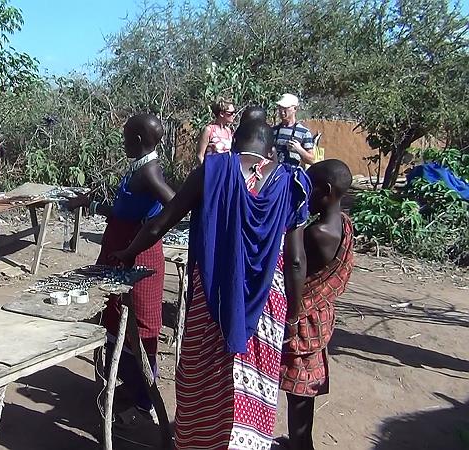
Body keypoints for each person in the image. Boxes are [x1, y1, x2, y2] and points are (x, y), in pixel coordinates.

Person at [111, 120, 310, 450]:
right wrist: (294, 314)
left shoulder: (213, 170)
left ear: (235, 141)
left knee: (202, 380)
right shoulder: (291, 182)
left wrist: (129, 252)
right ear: (270, 149)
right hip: (267, 302)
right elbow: (296, 260)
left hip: (214, 295)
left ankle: (200, 441)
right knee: (256, 383)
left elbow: (161, 222)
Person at [68, 114, 175, 430]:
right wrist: (90, 205)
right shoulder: (140, 167)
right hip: (123, 255)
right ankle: (125, 388)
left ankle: (141, 399)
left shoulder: (149, 171)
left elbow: (174, 204)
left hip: (138, 258)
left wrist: (150, 229)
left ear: (138, 140)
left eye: (126, 136)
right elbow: (124, 211)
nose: (123, 141)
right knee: (117, 317)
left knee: (140, 326)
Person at [279, 159, 354, 450]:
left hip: (303, 319)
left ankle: (301, 444)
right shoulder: (343, 224)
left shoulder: (316, 233)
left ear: (326, 191)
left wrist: (292, 317)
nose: (304, 196)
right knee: (302, 393)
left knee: (298, 392)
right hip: (319, 316)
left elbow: (294, 265)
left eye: (308, 190)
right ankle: (300, 441)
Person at [274, 94, 316, 166]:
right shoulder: (273, 131)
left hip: (293, 171)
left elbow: (312, 160)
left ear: (295, 109)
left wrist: (299, 149)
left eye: (285, 108)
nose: (282, 111)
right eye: (280, 107)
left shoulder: (304, 133)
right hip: (274, 170)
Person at [196, 97, 236, 162]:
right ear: (221, 114)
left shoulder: (229, 131)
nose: (233, 115)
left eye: (234, 112)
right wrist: (206, 168)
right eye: (231, 113)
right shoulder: (209, 130)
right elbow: (200, 155)